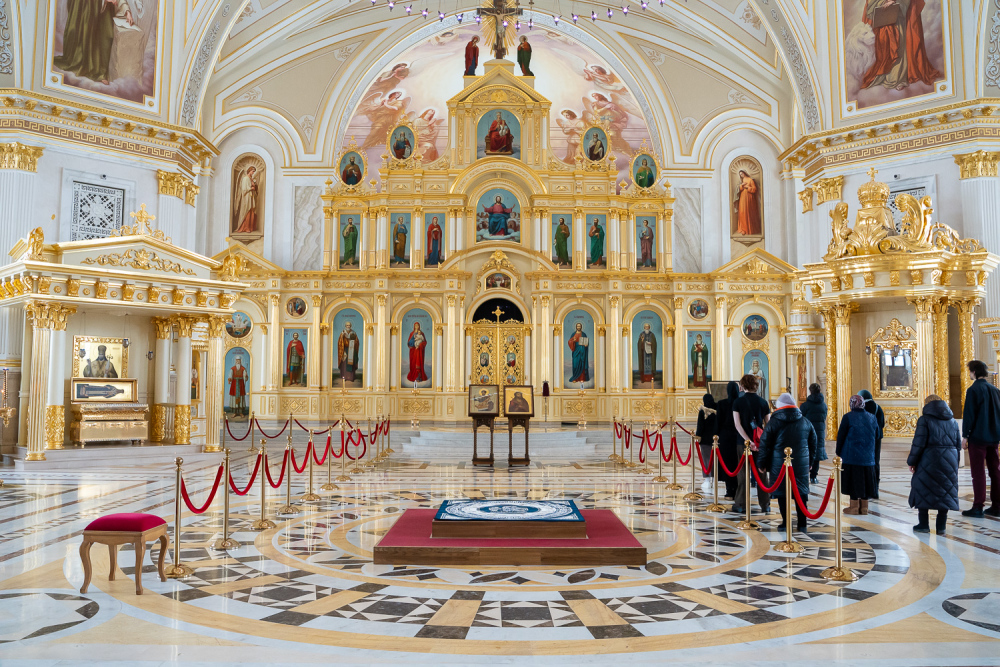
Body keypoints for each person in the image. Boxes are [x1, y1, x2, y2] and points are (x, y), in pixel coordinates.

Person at [759, 393, 817, 533]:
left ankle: (786, 523)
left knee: (782, 493)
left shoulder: (773, 422)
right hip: (801, 464)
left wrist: (761, 463)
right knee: (801, 493)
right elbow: (814, 442)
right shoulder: (805, 421)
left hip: (780, 464)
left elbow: (764, 444)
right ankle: (802, 523)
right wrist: (810, 461)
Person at [860, 0, 943, 91]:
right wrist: (882, 3)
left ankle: (899, 79)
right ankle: (883, 75)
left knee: (900, 45)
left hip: (899, 16)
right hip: (884, 17)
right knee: (885, 46)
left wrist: (894, 2)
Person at [908, 394, 961, 533]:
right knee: (945, 491)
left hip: (928, 459)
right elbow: (958, 445)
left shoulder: (924, 420)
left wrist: (912, 461)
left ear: (927, 405)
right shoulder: (953, 421)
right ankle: (941, 527)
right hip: (949, 460)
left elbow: (918, 443)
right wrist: (955, 464)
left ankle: (923, 524)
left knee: (923, 489)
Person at [54, 0, 136, 84]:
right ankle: (93, 70)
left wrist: (127, 11)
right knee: (88, 32)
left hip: (104, 8)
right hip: (87, 6)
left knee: (107, 35)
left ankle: (101, 72)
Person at [961, 359, 1000, 517]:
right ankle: (997, 506)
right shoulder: (995, 390)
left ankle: (978, 506)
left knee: (978, 473)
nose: (970, 374)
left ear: (974, 372)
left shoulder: (973, 389)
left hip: (978, 438)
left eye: (970, 371)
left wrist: (965, 436)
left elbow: (969, 415)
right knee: (995, 471)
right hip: (994, 437)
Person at [732, 373, 772, 514]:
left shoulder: (738, 402)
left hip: (742, 443)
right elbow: (768, 424)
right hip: (759, 443)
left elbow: (737, 425)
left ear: (743, 385)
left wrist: (747, 440)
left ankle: (741, 504)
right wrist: (760, 441)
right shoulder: (763, 402)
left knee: (742, 474)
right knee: (762, 474)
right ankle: (765, 504)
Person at [836, 394, 878, 515]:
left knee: (853, 482)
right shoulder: (872, 417)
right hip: (868, 456)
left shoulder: (848, 417)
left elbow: (841, 436)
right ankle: (864, 508)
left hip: (851, 456)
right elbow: (877, 435)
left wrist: (838, 452)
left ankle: (854, 507)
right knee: (866, 481)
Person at [716, 381, 742, 499]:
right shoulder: (741, 403)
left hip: (725, 437)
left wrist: (715, 436)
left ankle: (729, 490)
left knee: (727, 464)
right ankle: (737, 489)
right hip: (738, 436)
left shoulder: (722, 404)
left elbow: (718, 422)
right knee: (737, 464)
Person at [858, 389, 885, 498]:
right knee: (875, 462)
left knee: (865, 463)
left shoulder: (861, 408)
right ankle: (875, 489)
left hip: (864, 439)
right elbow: (882, 423)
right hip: (876, 439)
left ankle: (865, 489)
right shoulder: (878, 408)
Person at [800, 383, 829, 483]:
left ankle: (804, 475)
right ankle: (814, 476)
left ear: (810, 391)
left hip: (807, 431)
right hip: (820, 431)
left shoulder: (805, 405)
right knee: (816, 453)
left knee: (806, 452)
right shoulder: (823, 405)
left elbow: (801, 418)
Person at [696, 393, 718, 493]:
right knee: (715, 460)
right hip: (716, 439)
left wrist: (698, 436)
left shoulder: (703, 411)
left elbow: (700, 426)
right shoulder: (717, 410)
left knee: (706, 460)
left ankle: (707, 480)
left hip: (705, 440)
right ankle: (714, 478)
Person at [232, 166, 259, 234]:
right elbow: (244, 189)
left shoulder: (251, 178)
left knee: (251, 211)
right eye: (252, 171)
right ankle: (245, 227)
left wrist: (254, 187)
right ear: (249, 170)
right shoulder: (246, 178)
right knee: (247, 211)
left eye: (254, 171)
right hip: (247, 197)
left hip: (251, 196)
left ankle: (250, 227)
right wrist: (251, 188)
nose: (253, 173)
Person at [734, 169, 761, 236]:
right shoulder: (741, 181)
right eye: (740, 174)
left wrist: (748, 187)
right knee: (742, 212)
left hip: (749, 198)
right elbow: (739, 189)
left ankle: (748, 229)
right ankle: (743, 229)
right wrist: (741, 186)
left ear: (744, 173)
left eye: (742, 174)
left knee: (748, 212)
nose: (741, 175)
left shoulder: (750, 180)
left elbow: (754, 189)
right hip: (742, 198)